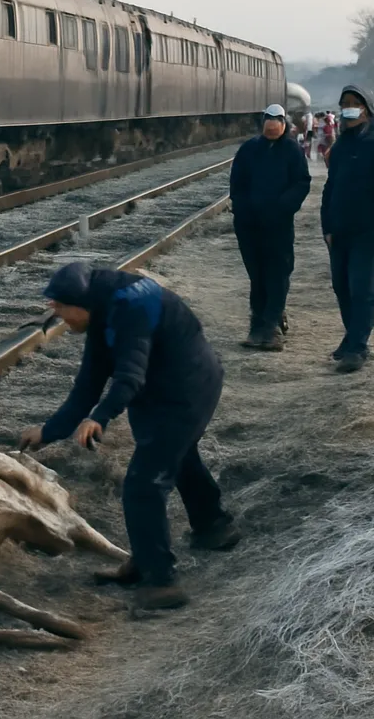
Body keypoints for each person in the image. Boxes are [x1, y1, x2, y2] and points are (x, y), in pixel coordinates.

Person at [18, 262, 239, 611]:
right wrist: (49, 431)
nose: (61, 319)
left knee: (143, 485)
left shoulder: (129, 312)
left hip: (186, 389)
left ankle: (161, 582)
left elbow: (129, 376)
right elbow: (88, 383)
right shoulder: (104, 306)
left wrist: (100, 417)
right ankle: (213, 526)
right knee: (176, 457)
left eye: (62, 311)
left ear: (80, 302)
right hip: (167, 387)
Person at [321, 85, 374, 372]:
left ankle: (358, 347)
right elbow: (330, 187)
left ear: (367, 109)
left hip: (368, 232)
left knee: (362, 289)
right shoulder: (342, 147)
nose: (348, 108)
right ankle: (351, 338)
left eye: (354, 103)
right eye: (344, 103)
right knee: (341, 287)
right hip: (340, 231)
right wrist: (327, 226)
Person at [228, 104, 311, 350]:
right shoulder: (249, 150)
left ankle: (270, 324)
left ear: (284, 125)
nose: (272, 127)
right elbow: (237, 184)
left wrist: (282, 207)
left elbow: (301, 183)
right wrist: (244, 210)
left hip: (278, 225)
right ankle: (257, 324)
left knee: (277, 272)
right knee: (257, 274)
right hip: (249, 225)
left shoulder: (292, 151)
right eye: (268, 122)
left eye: (277, 123)